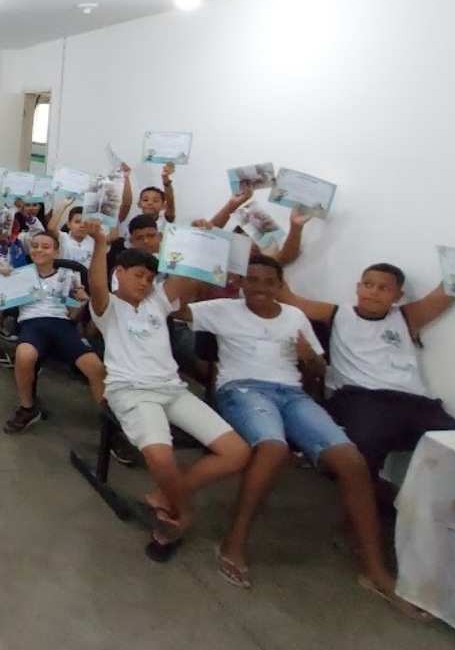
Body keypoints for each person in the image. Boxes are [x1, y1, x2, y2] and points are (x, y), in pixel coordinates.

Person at [176, 256, 421, 614]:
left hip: (292, 395)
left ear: (280, 286)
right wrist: (192, 264)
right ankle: (234, 543)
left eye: (268, 281)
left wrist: (309, 358)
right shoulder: (222, 310)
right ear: (241, 283)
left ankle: (373, 569)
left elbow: (320, 370)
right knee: (273, 448)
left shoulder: (294, 316)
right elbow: (175, 309)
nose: (259, 288)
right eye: (252, 280)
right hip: (242, 390)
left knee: (351, 460)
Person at [84, 221, 251, 560]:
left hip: (172, 390)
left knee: (237, 452)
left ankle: (167, 495)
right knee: (161, 456)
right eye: (138, 276)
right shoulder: (108, 307)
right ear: (119, 273)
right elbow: (96, 284)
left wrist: (209, 232)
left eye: (150, 278)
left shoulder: (158, 300)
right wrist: (100, 242)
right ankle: (183, 511)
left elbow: (189, 272)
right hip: (131, 392)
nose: (144, 283)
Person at [277, 248, 455, 497]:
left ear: (397, 295)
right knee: (361, 451)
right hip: (359, 399)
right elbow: (289, 299)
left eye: (383, 288)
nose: (373, 292)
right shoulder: (337, 313)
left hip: (414, 403)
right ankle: (373, 509)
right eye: (368, 285)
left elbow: (448, 291)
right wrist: (274, 251)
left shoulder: (407, 316)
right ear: (358, 287)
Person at [3, 230, 108, 433]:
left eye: (46, 247)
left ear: (57, 252)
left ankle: (110, 423)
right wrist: (1, 285)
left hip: (61, 325)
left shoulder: (67, 276)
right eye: (35, 246)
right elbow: (1, 307)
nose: (39, 250)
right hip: (32, 324)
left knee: (95, 367)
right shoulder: (20, 275)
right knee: (24, 355)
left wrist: (82, 303)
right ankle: (27, 407)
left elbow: (72, 314)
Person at [116, 161, 177, 234]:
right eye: (145, 200)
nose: (150, 203)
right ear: (139, 204)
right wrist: (126, 177)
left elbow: (170, 203)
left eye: (155, 201)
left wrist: (165, 179)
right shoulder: (134, 223)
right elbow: (126, 203)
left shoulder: (165, 221)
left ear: (163, 206)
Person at [46, 196, 94, 266]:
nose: (82, 225)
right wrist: (64, 206)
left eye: (85, 223)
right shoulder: (64, 238)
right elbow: (51, 228)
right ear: (68, 224)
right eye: (77, 222)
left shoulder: (93, 241)